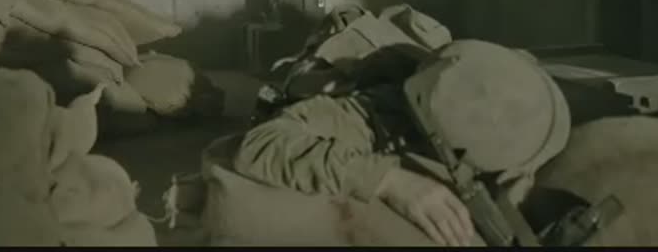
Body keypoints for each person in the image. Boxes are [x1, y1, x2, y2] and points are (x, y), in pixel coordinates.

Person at [232, 39, 571, 247]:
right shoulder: (375, 112)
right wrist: (390, 180)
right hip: (335, 57)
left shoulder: (504, 80)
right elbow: (260, 145)